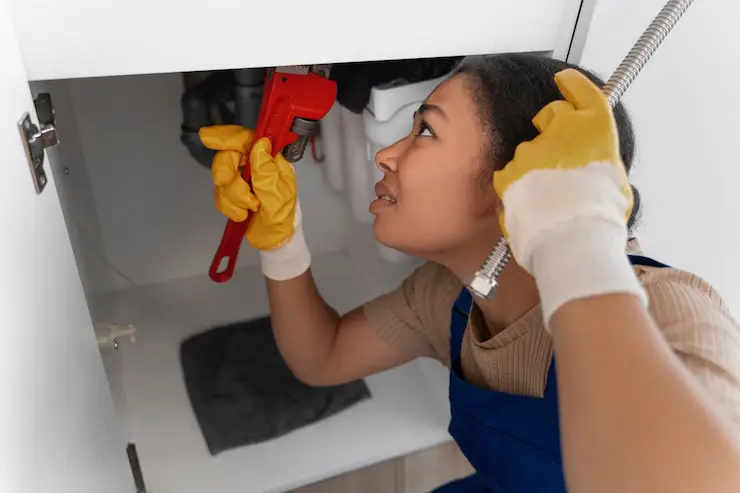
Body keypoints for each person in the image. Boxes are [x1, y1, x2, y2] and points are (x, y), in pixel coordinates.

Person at [200, 54, 740, 492]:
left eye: (426, 132)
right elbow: (324, 357)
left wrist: (574, 239)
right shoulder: (449, 296)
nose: (386, 154)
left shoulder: (670, 308)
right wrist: (282, 241)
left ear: (517, 177)